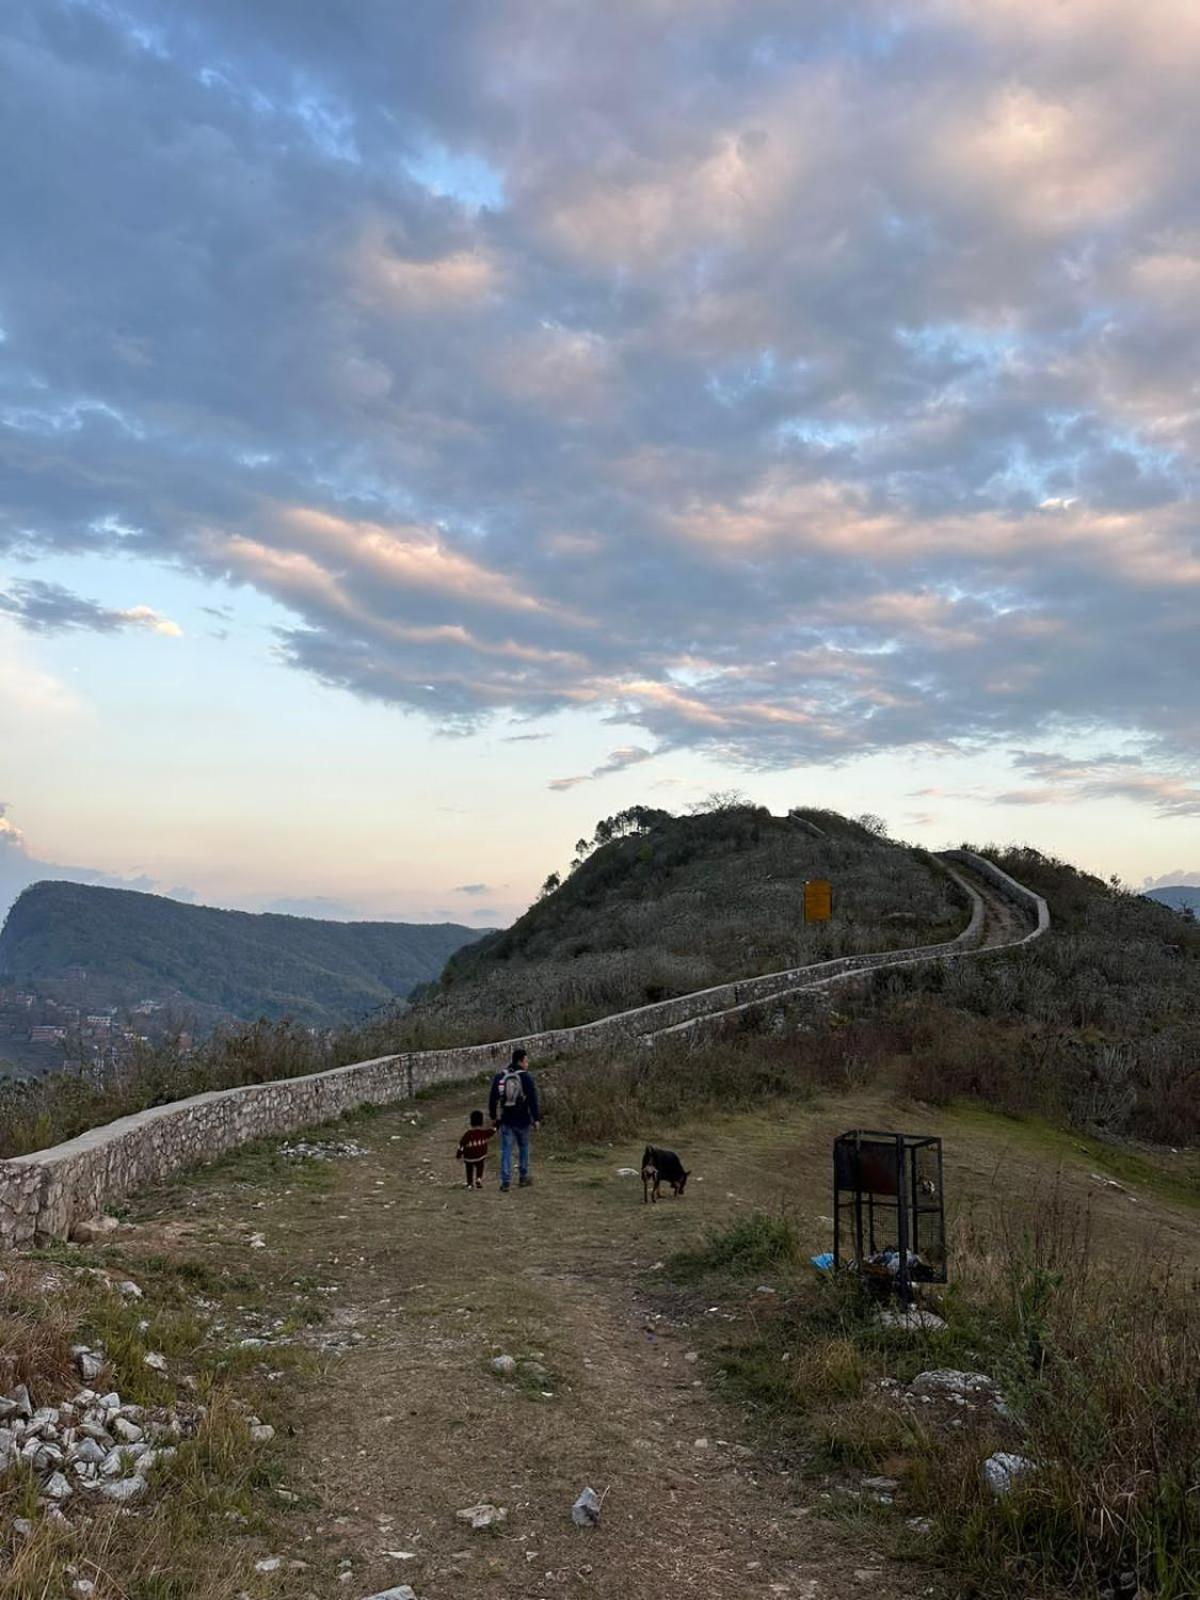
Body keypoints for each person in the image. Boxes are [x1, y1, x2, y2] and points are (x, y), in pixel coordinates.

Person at [488, 1047, 541, 1192]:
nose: (527, 1064)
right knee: (523, 1148)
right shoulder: (526, 1077)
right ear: (521, 1061)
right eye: (526, 1061)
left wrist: (493, 1117)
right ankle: (523, 1177)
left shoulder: (501, 1077)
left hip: (507, 1120)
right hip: (523, 1120)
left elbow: (493, 1099)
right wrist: (536, 1119)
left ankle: (505, 1181)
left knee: (506, 1150)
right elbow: (533, 1100)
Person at [455, 1108, 496, 1190]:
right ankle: (479, 1179)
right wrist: (496, 1124)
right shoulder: (483, 1133)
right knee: (480, 1167)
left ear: (471, 1122)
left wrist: (459, 1155)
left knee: (469, 1169)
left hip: (469, 1157)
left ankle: (470, 1184)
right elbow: (492, 1131)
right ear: (481, 1122)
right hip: (480, 1155)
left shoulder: (467, 1134)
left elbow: (461, 1145)